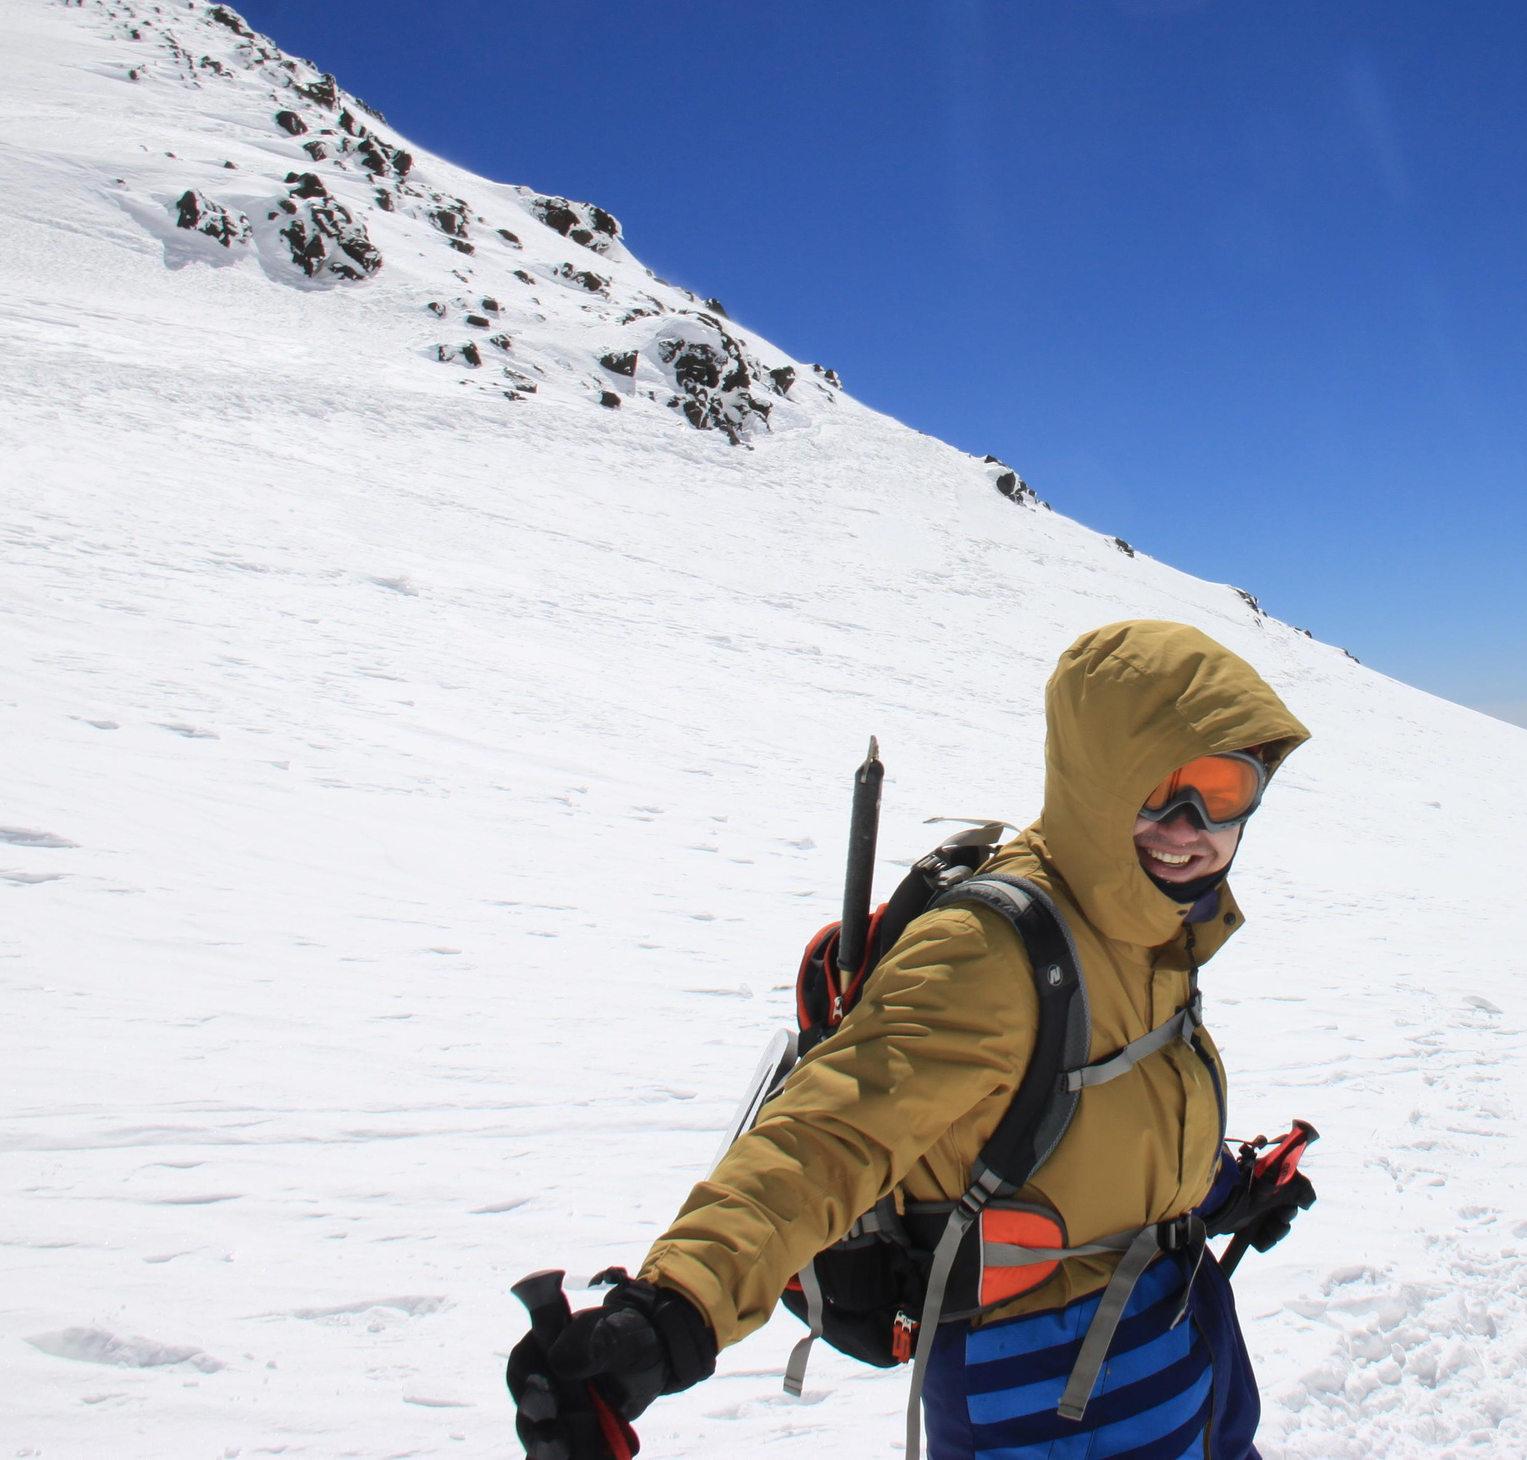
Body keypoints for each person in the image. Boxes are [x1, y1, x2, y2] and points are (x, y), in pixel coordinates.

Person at [506, 621, 1315, 1459]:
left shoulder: (1151, 932)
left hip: (1187, 1373)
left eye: (1222, 788)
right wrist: (671, 1306)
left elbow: (1099, 1129)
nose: (1190, 824)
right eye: (1159, 787)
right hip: (1047, 1402)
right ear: (1098, 783)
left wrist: (1223, 1188)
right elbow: (826, 1136)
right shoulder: (992, 950)